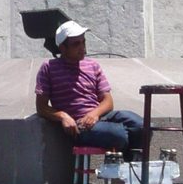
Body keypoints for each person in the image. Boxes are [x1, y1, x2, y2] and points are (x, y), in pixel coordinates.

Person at [35, 22, 143, 157]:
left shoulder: (92, 65)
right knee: (119, 135)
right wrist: (62, 116)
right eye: (76, 44)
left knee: (141, 125)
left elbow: (108, 101)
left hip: (99, 116)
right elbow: (41, 107)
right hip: (79, 125)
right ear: (62, 47)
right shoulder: (49, 68)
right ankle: (127, 166)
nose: (82, 48)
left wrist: (95, 114)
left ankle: (132, 170)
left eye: (83, 42)